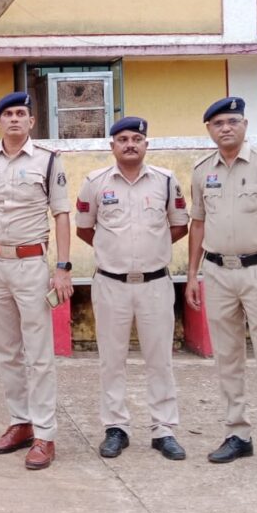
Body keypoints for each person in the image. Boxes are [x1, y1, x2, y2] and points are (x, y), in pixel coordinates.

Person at [184, 97, 257, 478]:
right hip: (217, 273)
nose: (226, 128)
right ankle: (237, 434)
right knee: (227, 358)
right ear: (209, 130)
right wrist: (192, 275)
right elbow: (198, 224)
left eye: (233, 121)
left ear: (245, 125)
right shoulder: (202, 171)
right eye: (218, 123)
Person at [0, 91, 72, 471]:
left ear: (31, 121)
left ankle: (45, 434)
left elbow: (61, 214)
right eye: (7, 113)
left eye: (20, 113)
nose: (13, 119)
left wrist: (62, 267)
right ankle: (21, 422)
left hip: (31, 264)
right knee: (6, 349)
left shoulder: (48, 160)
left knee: (38, 353)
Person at [75, 117, 189, 461]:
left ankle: (164, 430)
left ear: (146, 145)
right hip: (111, 283)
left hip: (155, 283)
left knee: (160, 360)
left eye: (136, 139)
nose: (130, 144)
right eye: (123, 139)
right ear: (112, 145)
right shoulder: (95, 183)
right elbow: (84, 229)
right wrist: (116, 252)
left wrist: (150, 250)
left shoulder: (165, 181)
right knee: (112, 360)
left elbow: (179, 226)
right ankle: (115, 428)